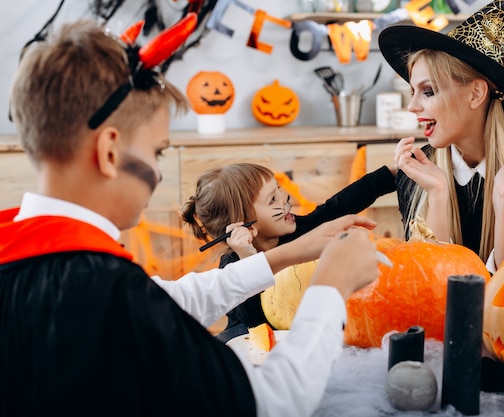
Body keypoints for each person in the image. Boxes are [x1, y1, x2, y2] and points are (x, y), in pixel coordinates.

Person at [0, 18, 382, 417]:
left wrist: (290, 253)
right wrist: (330, 288)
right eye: (157, 151)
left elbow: (170, 298)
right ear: (110, 152)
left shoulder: (27, 256)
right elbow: (271, 402)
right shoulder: (110, 292)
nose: (160, 172)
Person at [378, 0, 504, 270]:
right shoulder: (416, 173)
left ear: (475, 94)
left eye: (428, 91)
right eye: (411, 92)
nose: (413, 107)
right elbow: (427, 287)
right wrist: (437, 194)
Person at [180, 161, 397, 332]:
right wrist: (249, 260)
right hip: (252, 344)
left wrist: (390, 175)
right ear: (243, 221)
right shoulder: (234, 263)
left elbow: (336, 207)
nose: (286, 198)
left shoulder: (298, 229)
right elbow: (253, 322)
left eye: (279, 189)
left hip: (297, 332)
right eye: (272, 199)